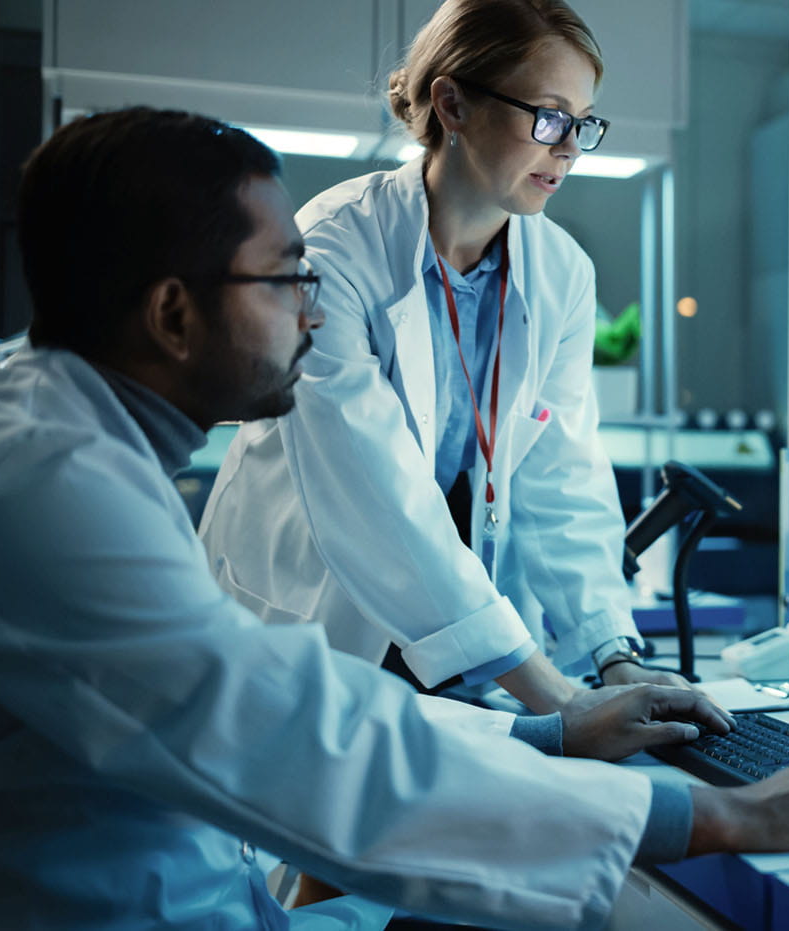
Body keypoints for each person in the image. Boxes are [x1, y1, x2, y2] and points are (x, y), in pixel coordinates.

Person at [0, 106, 789, 930]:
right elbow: (309, 742)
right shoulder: (55, 489)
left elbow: (314, 721)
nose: (313, 318)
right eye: (286, 282)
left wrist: (558, 728)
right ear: (172, 314)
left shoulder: (72, 438)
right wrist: (731, 816)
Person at [198, 0, 679, 711]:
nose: (570, 146)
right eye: (549, 117)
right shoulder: (335, 247)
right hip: (304, 626)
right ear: (452, 102)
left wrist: (612, 654)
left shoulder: (562, 274)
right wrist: (553, 697)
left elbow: (563, 477)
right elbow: (374, 496)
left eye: (583, 121)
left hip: (457, 654)